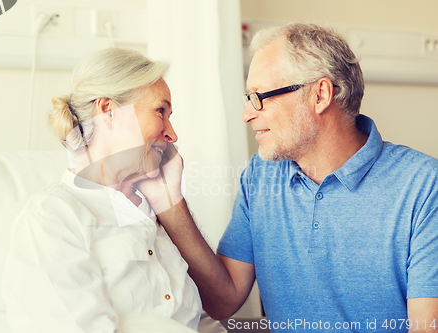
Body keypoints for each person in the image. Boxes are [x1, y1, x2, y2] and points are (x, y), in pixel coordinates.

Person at [138, 23, 438, 332]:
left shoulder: (424, 186)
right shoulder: (260, 175)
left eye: (259, 97)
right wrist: (169, 201)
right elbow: (222, 300)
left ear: (320, 95)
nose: (247, 114)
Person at [1, 48, 204, 333]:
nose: (172, 134)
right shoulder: (52, 218)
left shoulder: (152, 215)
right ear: (108, 111)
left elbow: (199, 319)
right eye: (161, 111)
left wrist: (168, 199)